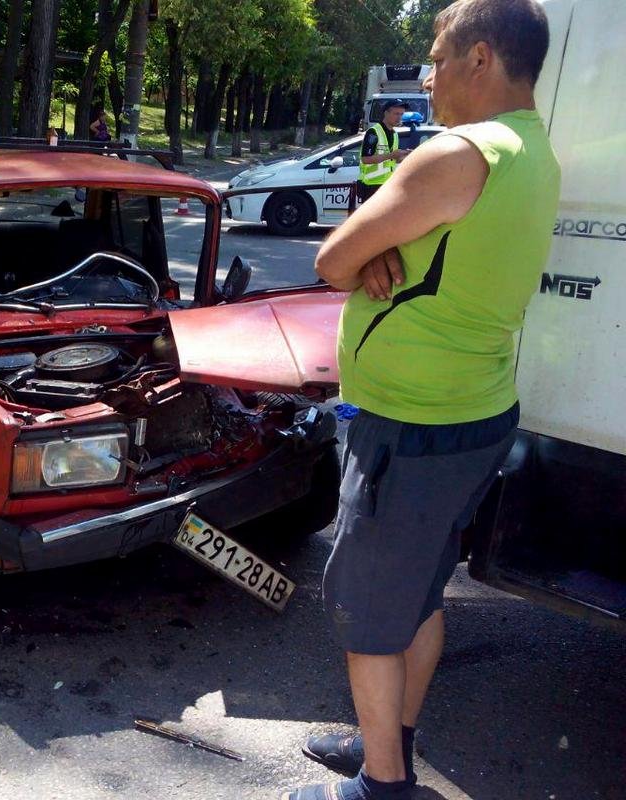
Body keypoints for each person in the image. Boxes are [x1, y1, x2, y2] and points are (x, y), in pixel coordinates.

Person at [285, 2, 559, 799]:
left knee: (368, 613)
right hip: (472, 416)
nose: (428, 77)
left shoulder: (459, 154)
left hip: (409, 427)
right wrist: (383, 248)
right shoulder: (533, 151)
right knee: (419, 592)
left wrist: (368, 252)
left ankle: (382, 786)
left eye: (438, 58)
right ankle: (389, 744)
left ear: (481, 58)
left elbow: (332, 261)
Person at [356, 100, 412, 203]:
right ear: (386, 113)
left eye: (401, 114)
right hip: (371, 185)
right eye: (396, 114)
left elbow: (392, 160)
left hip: (386, 184)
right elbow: (365, 159)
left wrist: (406, 155)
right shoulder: (373, 132)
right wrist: (391, 155)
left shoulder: (394, 134)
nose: (399, 117)